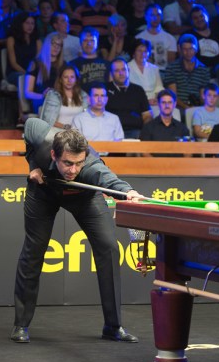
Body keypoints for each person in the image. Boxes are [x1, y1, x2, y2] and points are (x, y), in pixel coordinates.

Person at [11, 117, 142, 343]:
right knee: (33, 252)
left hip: (83, 198)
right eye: (68, 163)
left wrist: (128, 192)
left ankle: (113, 326)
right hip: (43, 192)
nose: (73, 170)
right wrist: (33, 166)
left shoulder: (90, 165)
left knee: (109, 248)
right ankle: (20, 325)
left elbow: (108, 179)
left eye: (78, 163)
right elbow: (29, 125)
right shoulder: (41, 136)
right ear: (53, 155)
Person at [105, 58, 152, 139]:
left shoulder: (138, 90)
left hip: (135, 131)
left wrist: (144, 132)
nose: (121, 73)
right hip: (111, 132)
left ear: (128, 71)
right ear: (111, 73)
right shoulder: (105, 90)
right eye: (117, 70)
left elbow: (147, 115)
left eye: (123, 69)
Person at [162, 33, 210, 110]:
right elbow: (172, 95)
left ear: (196, 49)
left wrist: (199, 109)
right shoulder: (171, 68)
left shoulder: (203, 70)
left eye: (191, 49)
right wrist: (186, 107)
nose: (188, 52)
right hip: (177, 107)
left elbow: (203, 96)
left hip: (197, 108)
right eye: (185, 49)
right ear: (180, 49)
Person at [39, 64, 89, 129]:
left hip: (78, 132)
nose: (69, 80)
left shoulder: (83, 95)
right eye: (66, 77)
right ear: (60, 79)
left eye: (72, 77)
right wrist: (66, 127)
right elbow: (48, 120)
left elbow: (88, 117)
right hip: (58, 132)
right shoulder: (53, 95)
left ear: (76, 79)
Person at [25, 34, 64, 113]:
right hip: (41, 100)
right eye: (53, 43)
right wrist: (43, 96)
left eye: (59, 45)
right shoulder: (35, 63)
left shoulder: (64, 65)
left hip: (59, 100)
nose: (56, 47)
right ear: (47, 44)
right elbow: (27, 93)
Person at [135, 3, 177, 72]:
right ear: (146, 16)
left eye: (158, 15)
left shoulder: (170, 38)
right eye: (152, 15)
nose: (155, 18)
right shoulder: (138, 38)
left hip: (163, 72)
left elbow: (171, 62)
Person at [6, 12, 41, 87]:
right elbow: (13, 63)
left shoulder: (37, 41)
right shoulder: (11, 39)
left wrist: (32, 73)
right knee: (25, 79)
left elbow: (38, 60)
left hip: (32, 72)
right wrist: (26, 74)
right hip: (15, 72)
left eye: (32, 23)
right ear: (20, 24)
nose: (30, 26)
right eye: (27, 23)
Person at [128, 39, 164, 112]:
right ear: (134, 53)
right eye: (139, 51)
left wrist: (156, 99)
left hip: (153, 103)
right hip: (135, 103)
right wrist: (146, 101)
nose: (142, 54)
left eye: (145, 51)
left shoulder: (154, 68)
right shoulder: (127, 68)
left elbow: (159, 88)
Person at [70, 26, 109, 93]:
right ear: (80, 42)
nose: (89, 43)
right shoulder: (72, 65)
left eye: (92, 40)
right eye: (85, 40)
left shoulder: (107, 64)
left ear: (97, 42)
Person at [184, 4, 219, 71]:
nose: (199, 19)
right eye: (195, 18)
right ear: (191, 21)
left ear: (207, 16)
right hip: (197, 72)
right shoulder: (187, 36)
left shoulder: (218, 32)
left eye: (201, 16)